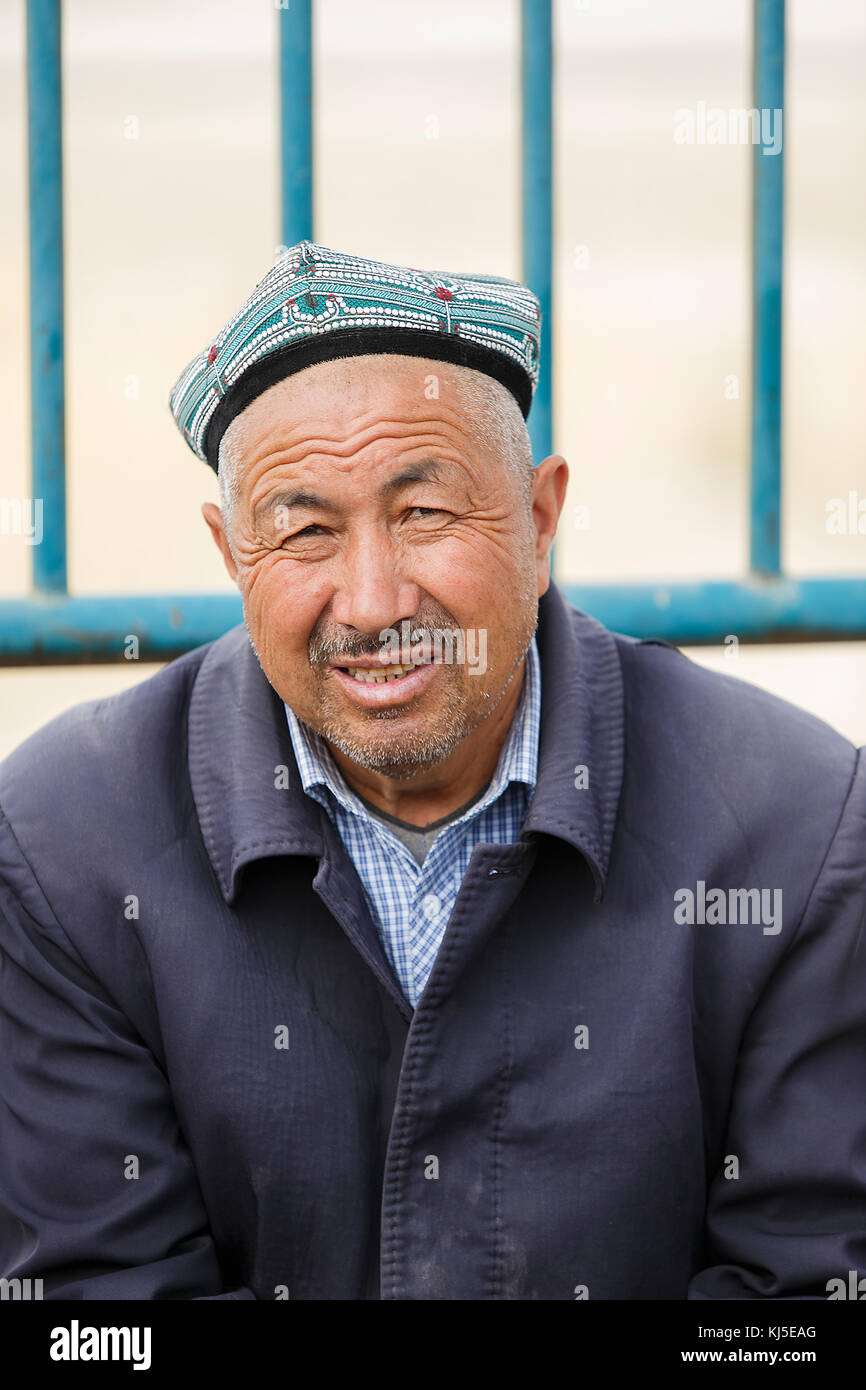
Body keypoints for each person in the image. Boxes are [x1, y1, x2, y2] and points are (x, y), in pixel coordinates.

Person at [0, 241, 864, 1300]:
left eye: (422, 513)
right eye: (305, 530)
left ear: (538, 522)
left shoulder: (796, 825)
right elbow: (99, 1312)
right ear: (231, 557)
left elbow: (803, 1299)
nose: (370, 601)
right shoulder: (61, 845)